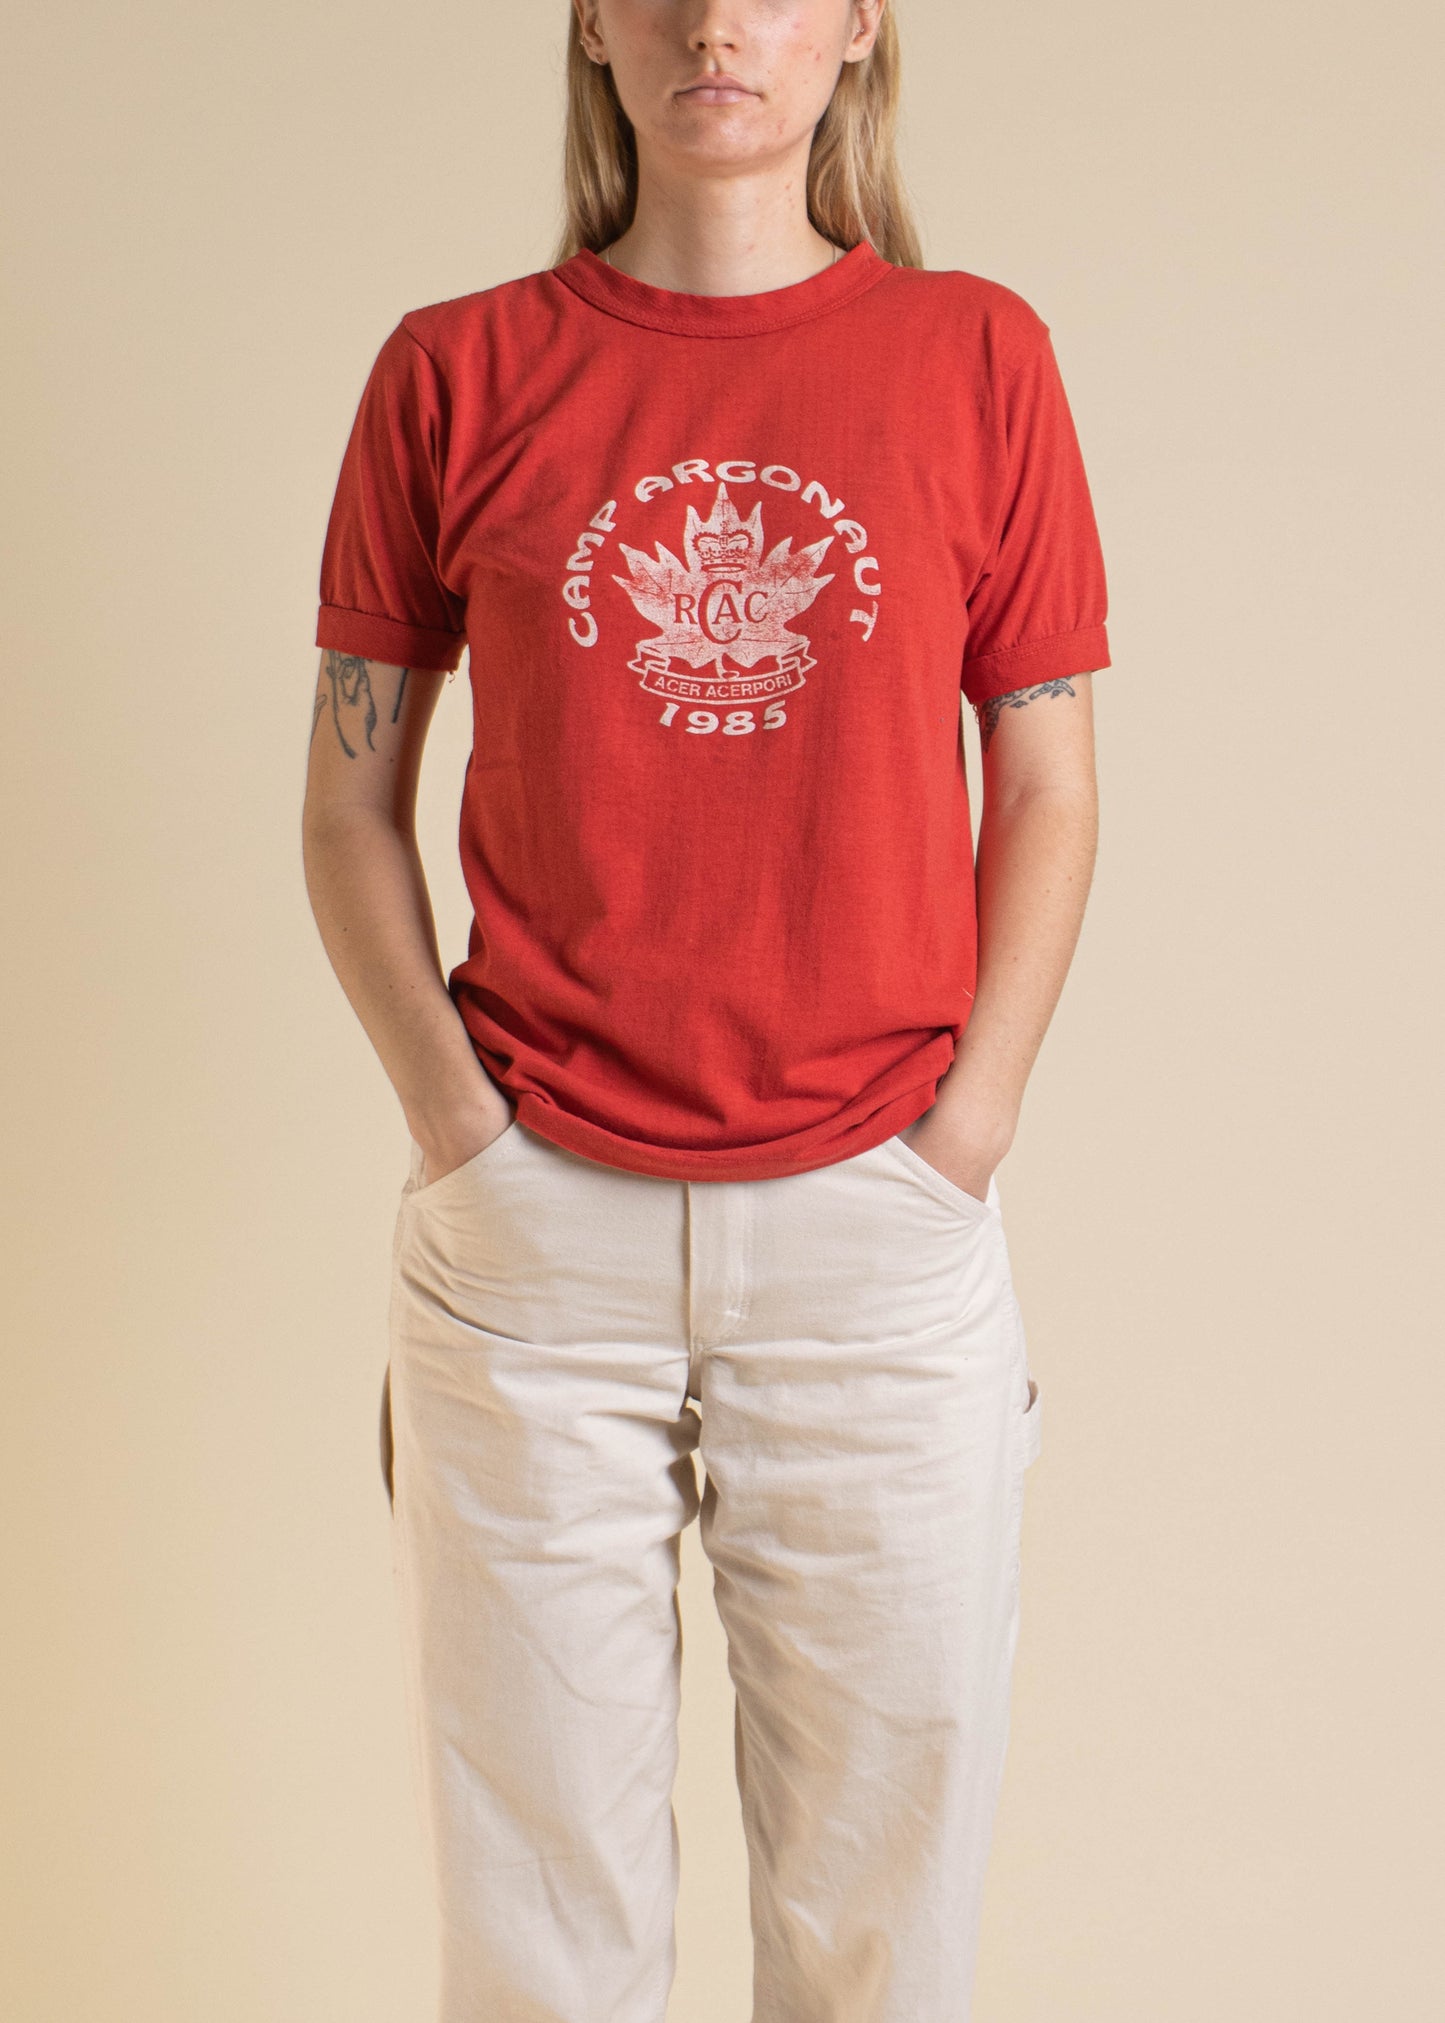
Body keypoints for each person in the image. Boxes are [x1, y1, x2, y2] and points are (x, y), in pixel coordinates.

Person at [302, 3, 1109, 2018]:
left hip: (878, 1240)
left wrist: (967, 1136)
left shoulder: (975, 357)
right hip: (532, 1255)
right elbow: (343, 806)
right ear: (592, 23)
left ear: (857, 27)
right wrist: (460, 1134)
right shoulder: (455, 371)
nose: (716, 21)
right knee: (539, 1944)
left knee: (880, 1943)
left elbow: (1049, 784)